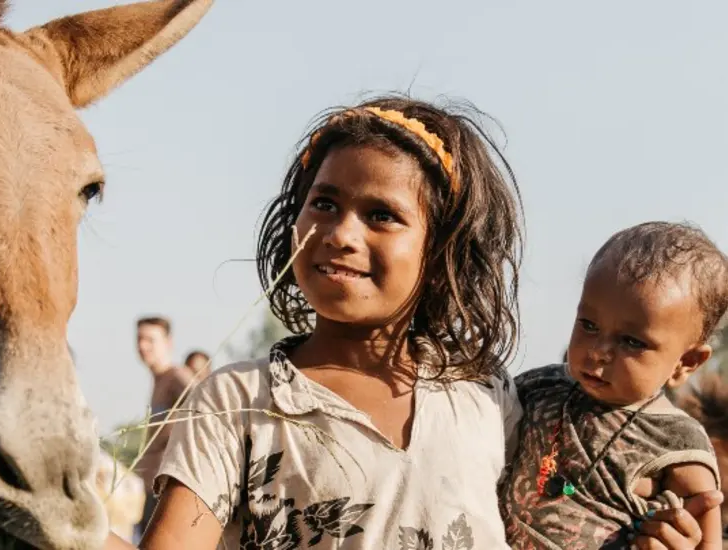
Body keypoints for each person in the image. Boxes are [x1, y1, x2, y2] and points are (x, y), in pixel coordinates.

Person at [118, 96, 718, 550]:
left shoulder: (489, 397)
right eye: (324, 203)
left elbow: (577, 507)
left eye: (381, 215)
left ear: (440, 255)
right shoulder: (237, 400)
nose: (341, 233)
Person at [501, 222, 727, 549]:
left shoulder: (676, 441)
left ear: (686, 362)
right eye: (589, 325)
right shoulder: (539, 388)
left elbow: (707, 539)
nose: (598, 351)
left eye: (632, 341)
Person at [132, 316, 194, 542]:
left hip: (167, 486)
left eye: (150, 340)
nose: (143, 346)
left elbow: (206, 404)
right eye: (139, 339)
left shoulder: (176, 377)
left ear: (168, 343)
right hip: (151, 487)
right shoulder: (158, 380)